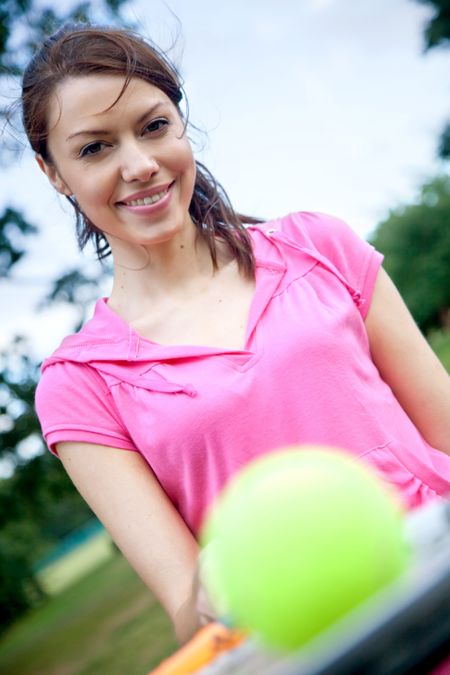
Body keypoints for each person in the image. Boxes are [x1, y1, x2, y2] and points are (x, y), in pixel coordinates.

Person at [22, 23, 450, 644]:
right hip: (319, 647)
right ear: (53, 172)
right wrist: (234, 586)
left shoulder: (317, 245)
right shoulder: (80, 386)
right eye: (94, 148)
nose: (139, 166)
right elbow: (187, 601)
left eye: (153, 126)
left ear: (180, 122)